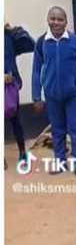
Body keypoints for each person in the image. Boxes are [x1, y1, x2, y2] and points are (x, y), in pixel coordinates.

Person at [31, 6, 76, 178]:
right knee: (57, 131)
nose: (56, 22)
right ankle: (60, 162)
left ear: (66, 22)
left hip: (74, 95)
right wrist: (36, 96)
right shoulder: (42, 43)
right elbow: (36, 70)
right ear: (48, 20)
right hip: (52, 96)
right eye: (52, 18)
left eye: (60, 19)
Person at [5, 22, 35, 163]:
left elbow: (30, 45)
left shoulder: (8, 37)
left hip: (10, 87)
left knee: (15, 119)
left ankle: (23, 152)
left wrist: (16, 31)